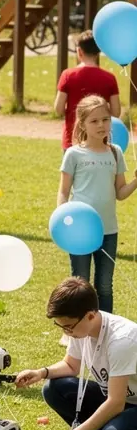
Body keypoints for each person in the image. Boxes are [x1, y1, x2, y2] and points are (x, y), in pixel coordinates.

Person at [16, 277, 137, 430]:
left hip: (124, 401)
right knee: (55, 388)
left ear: (90, 315)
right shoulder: (82, 329)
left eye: (68, 326)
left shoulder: (121, 340)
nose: (66, 332)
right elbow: (71, 366)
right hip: (126, 400)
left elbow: (115, 403)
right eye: (61, 327)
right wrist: (41, 372)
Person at [57, 95, 137, 314]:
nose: (102, 125)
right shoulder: (74, 154)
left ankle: (106, 331)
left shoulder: (115, 152)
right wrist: (62, 219)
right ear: (82, 123)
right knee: (80, 284)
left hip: (108, 230)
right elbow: (64, 191)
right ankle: (76, 331)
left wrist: (135, 181)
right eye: (94, 121)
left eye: (105, 119)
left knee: (104, 286)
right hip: (80, 230)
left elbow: (120, 193)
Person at [53, 30, 121, 149]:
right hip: (100, 140)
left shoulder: (68, 75)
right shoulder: (110, 78)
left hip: (72, 139)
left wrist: (71, 114)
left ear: (79, 51)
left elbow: (58, 108)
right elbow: (116, 112)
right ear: (98, 52)